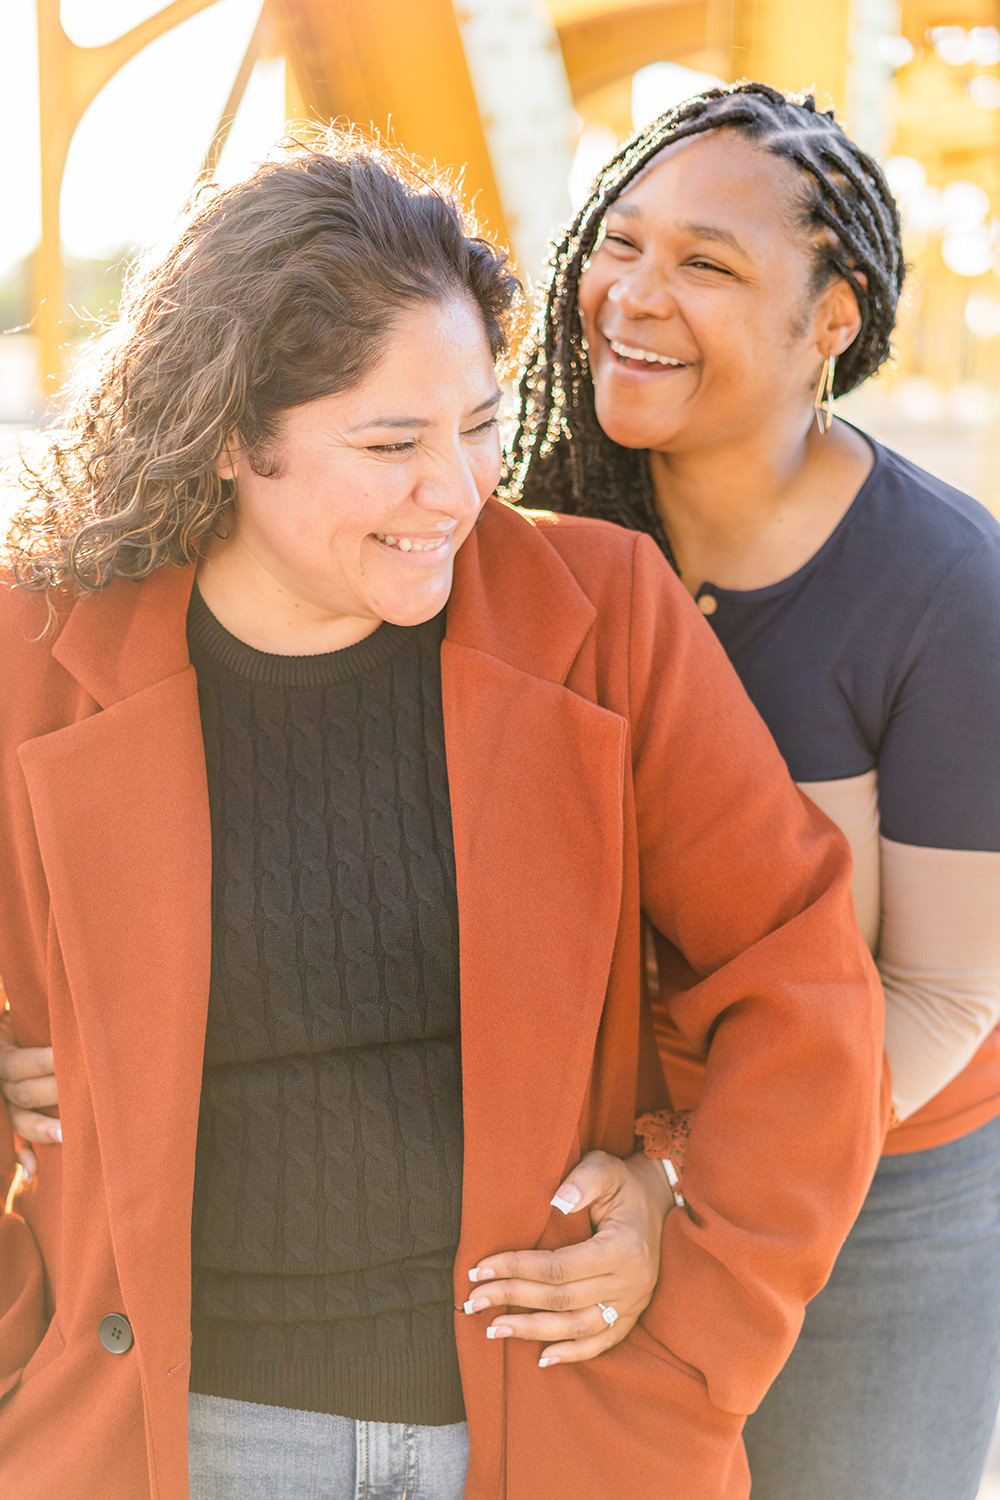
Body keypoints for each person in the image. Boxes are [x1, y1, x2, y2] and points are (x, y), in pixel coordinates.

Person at [0, 129, 885, 1500]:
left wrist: (684, 1258)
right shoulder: (35, 653)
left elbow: (802, 986)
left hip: (566, 1432)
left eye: (479, 424)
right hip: (173, 1439)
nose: (458, 491)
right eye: (391, 443)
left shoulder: (606, 618)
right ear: (231, 436)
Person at [506, 80, 1000, 1500]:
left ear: (832, 316)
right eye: (622, 240)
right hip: (581, 1188)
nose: (633, 296)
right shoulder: (538, 528)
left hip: (880, 1191)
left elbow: (947, 993)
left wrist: (691, 1179)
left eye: (708, 264)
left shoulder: (943, 587)